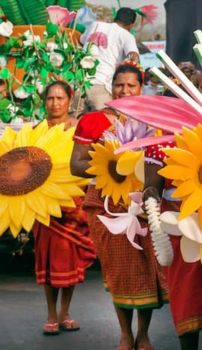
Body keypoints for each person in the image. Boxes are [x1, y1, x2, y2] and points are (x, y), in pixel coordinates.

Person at [70, 62, 168, 350]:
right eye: (119, 84)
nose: (124, 90)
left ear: (141, 87)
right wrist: (113, 166)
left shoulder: (155, 121)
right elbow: (76, 165)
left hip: (145, 202)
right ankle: (125, 334)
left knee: (145, 268)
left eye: (131, 85)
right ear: (112, 86)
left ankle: (144, 333)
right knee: (118, 271)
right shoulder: (93, 121)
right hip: (106, 204)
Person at [144, 144, 202, 350]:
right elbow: (151, 186)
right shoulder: (159, 147)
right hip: (178, 226)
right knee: (185, 294)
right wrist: (150, 194)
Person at [34, 81, 95, 336]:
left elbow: (89, 163)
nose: (55, 103)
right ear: (44, 102)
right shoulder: (36, 130)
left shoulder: (79, 129)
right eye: (50, 99)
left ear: (70, 101)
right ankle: (50, 313)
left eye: (60, 98)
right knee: (48, 260)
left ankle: (65, 313)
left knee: (71, 259)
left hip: (73, 203)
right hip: (45, 205)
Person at [78, 7, 139, 114]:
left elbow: (81, 40)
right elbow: (133, 55)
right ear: (131, 25)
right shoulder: (126, 35)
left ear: (116, 18)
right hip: (101, 87)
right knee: (102, 126)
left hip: (80, 85)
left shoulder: (95, 25)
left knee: (73, 127)